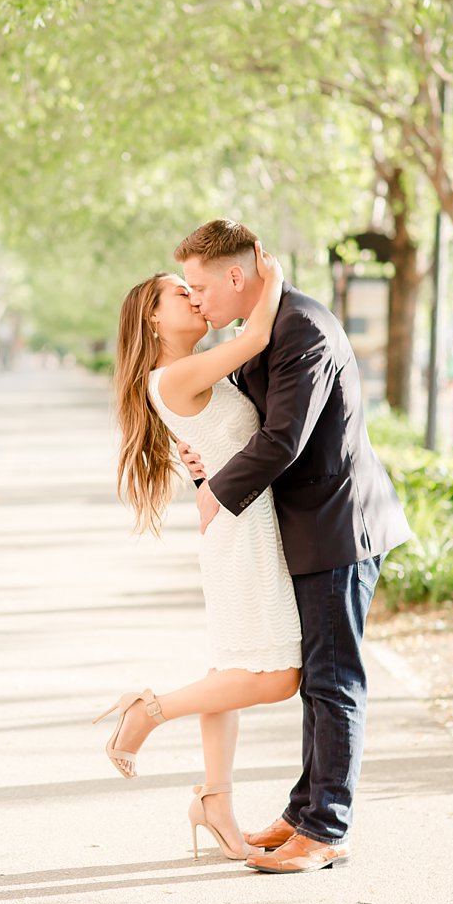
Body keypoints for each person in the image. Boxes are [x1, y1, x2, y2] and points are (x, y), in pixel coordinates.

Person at [174, 218, 412, 874]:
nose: (196, 301)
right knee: (317, 678)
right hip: (307, 528)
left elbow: (283, 439)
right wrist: (208, 465)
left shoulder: (300, 326)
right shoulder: (258, 330)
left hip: (341, 527)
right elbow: (248, 431)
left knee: (334, 679)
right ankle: (303, 810)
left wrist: (216, 495)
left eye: (200, 287)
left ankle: (326, 828)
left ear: (236, 274)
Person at [105, 241, 300, 863]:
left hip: (239, 525)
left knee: (230, 676)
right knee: (275, 679)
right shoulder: (179, 373)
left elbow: (213, 444)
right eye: (177, 293)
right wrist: (270, 275)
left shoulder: (187, 371)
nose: (192, 296)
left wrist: (200, 479)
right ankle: (151, 709)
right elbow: (257, 335)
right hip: (242, 533)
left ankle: (215, 799)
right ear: (152, 320)